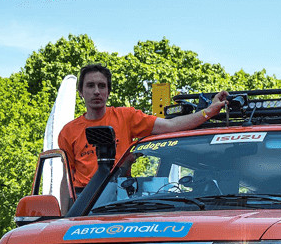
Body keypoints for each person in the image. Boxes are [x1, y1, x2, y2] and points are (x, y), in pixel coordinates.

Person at [58, 63, 230, 193]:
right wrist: (64, 217)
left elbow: (171, 126)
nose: (96, 91)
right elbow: (65, 180)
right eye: (90, 85)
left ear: (108, 92)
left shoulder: (126, 117)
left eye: (102, 86)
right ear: (80, 91)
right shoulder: (68, 132)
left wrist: (208, 112)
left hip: (119, 195)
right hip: (84, 198)